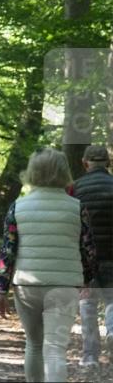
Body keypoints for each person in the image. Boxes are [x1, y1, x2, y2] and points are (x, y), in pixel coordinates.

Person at [0, 148, 97, 383]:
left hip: (26, 284)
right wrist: (86, 278)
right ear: (64, 173)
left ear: (33, 172)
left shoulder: (18, 206)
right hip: (64, 284)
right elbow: (88, 251)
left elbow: (7, 251)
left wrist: (1, 288)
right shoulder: (77, 207)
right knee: (55, 347)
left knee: (34, 344)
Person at [70, 144, 112, 368]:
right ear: (108, 163)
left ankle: (90, 356)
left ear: (85, 163)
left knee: (87, 305)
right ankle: (112, 333)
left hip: (84, 257)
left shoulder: (74, 189)